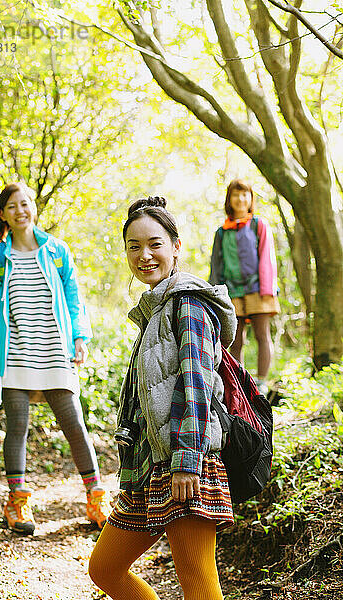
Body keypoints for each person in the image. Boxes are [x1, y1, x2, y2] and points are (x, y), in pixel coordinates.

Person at [89, 196, 237, 600]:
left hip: (187, 464)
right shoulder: (156, 309)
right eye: (133, 246)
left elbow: (198, 385)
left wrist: (187, 463)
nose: (144, 255)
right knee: (105, 568)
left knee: (199, 583)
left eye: (154, 243)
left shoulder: (187, 305)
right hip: (151, 469)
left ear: (176, 246)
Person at [0, 182, 110, 535]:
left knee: (74, 424)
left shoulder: (57, 252)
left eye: (26, 204)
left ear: (33, 208)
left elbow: (74, 298)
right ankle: (17, 502)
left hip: (54, 348)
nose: (20, 210)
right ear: (3, 214)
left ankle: (96, 497)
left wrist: (80, 337)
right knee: (16, 427)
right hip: (15, 351)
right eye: (12, 206)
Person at [209, 179, 279, 396]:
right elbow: (216, 265)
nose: (240, 199)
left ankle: (262, 382)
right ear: (229, 200)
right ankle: (238, 383)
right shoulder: (222, 232)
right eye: (236, 195)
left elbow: (267, 258)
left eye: (245, 194)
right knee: (235, 340)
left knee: (262, 335)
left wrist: (268, 289)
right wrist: (214, 295)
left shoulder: (258, 224)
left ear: (250, 199)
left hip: (259, 289)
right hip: (232, 293)